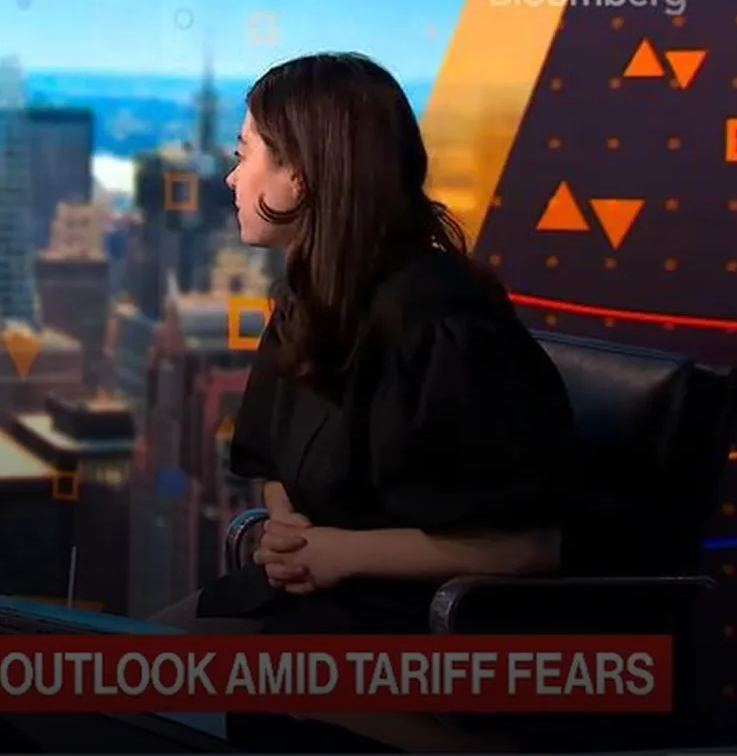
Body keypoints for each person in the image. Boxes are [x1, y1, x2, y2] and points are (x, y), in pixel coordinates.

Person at [153, 53, 577, 635]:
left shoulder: (440, 323)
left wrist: (342, 553)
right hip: (304, 601)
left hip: (403, 627)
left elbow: (532, 547)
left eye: (243, 154)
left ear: (300, 174)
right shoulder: (310, 301)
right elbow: (276, 464)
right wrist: (287, 528)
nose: (232, 178)